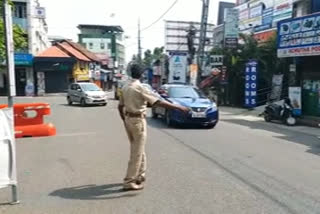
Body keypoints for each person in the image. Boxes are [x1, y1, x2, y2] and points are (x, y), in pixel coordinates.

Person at [118, 64, 190, 191]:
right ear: (141, 74)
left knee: (139, 148)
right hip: (138, 120)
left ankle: (140, 175)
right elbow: (158, 102)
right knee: (136, 152)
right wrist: (179, 107)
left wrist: (124, 119)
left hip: (128, 119)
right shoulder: (139, 87)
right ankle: (129, 181)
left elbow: (120, 106)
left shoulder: (125, 86)